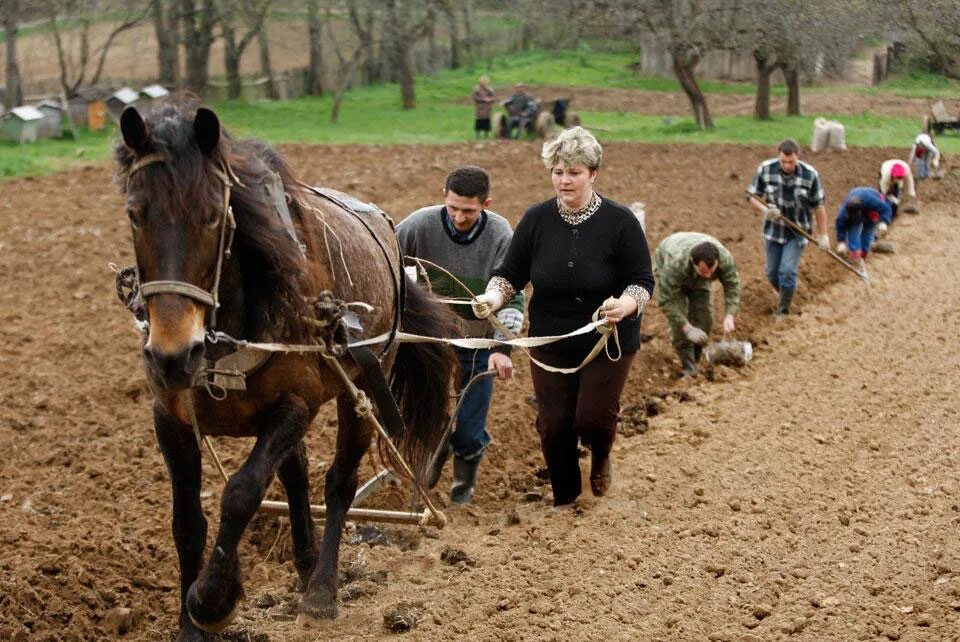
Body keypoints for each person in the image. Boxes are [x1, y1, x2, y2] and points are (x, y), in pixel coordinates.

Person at [474, 126, 654, 507]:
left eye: (573, 172)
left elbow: (641, 281)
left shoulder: (620, 223)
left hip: (607, 340)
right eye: (558, 171)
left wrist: (625, 305)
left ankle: (601, 456)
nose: (564, 180)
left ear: (593, 175)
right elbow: (510, 274)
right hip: (551, 339)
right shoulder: (537, 220)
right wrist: (492, 297)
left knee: (592, 420)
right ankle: (565, 501)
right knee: (554, 426)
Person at [396, 166, 524, 505]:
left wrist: (503, 349)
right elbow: (386, 266)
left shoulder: (500, 235)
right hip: (430, 343)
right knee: (422, 412)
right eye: (452, 207)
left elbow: (514, 293)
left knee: (468, 429)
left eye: (468, 210)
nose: (458, 217)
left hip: (479, 341)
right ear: (444, 197)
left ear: (486, 204)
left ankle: (462, 487)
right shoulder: (416, 226)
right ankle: (433, 449)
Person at [746, 138, 829, 318]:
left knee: (787, 270)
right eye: (783, 161)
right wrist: (765, 209)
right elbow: (752, 195)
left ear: (797, 157)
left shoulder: (810, 175)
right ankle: (786, 293)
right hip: (774, 230)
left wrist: (823, 235)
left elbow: (819, 206)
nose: (787, 165)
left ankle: (783, 311)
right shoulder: (766, 169)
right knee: (772, 272)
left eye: (791, 162)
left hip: (798, 232)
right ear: (779, 156)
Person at [654, 232, 740, 378]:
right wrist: (687, 328)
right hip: (669, 255)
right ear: (693, 261)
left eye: (710, 272)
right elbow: (666, 301)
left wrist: (730, 314)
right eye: (703, 271)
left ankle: (697, 360)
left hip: (694, 263)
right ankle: (688, 366)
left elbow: (732, 285)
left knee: (704, 316)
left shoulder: (725, 259)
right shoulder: (675, 264)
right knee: (679, 320)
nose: (707, 276)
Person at [834, 187, 892, 266]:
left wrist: (884, 222)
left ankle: (863, 257)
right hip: (857, 208)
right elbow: (840, 223)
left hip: (871, 210)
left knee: (867, 233)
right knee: (853, 230)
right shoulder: (844, 212)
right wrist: (841, 241)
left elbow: (886, 209)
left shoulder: (871, 201)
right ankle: (855, 258)